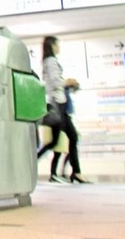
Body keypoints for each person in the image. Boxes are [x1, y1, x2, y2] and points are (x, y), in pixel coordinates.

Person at [36, 37, 89, 184]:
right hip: (58, 105)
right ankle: (75, 173)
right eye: (57, 44)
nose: (58, 47)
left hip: (59, 104)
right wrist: (68, 82)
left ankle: (74, 172)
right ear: (52, 45)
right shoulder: (51, 61)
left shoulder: (48, 62)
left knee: (58, 141)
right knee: (69, 138)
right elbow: (54, 82)